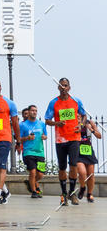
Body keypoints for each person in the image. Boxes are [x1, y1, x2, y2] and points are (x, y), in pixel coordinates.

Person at [44, 77, 87, 207]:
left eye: (66, 85)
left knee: (73, 165)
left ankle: (72, 193)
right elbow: (47, 120)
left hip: (74, 138)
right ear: (58, 87)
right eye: (61, 85)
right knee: (62, 168)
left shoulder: (76, 101)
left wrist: (81, 125)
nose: (63, 88)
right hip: (60, 140)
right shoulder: (53, 103)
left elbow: (84, 115)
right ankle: (63, 194)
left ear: (69, 87)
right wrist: (56, 123)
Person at [19, 105, 47, 198]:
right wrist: (27, 138)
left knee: (40, 174)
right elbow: (19, 139)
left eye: (35, 111)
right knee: (33, 172)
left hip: (40, 152)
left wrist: (44, 137)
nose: (34, 112)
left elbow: (45, 135)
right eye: (32, 110)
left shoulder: (41, 124)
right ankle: (34, 192)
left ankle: (31, 182)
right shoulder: (23, 125)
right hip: (28, 151)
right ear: (29, 112)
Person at [78, 116, 101, 203]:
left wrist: (91, 129)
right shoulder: (72, 121)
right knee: (82, 173)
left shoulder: (89, 122)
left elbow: (99, 136)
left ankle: (89, 194)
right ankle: (82, 187)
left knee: (91, 175)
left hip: (88, 150)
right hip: (77, 151)